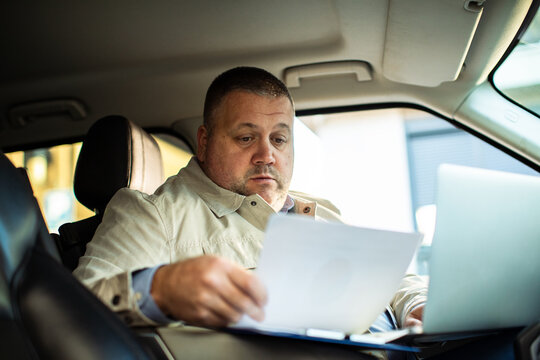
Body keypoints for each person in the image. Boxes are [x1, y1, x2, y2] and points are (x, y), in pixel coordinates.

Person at [74, 67, 427, 331]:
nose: (266, 155)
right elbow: (74, 310)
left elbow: (391, 277)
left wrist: (415, 304)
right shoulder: (152, 215)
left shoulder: (319, 210)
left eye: (279, 139)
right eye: (246, 138)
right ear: (204, 141)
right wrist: (161, 289)